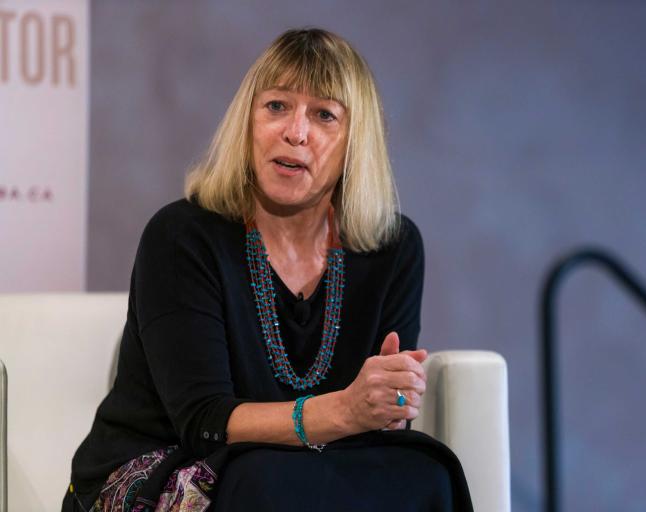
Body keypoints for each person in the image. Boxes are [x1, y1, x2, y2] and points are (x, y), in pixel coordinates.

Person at [63, 28, 472, 511]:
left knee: (428, 470)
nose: (295, 132)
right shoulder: (181, 237)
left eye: (324, 115)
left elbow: (382, 418)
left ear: (354, 143)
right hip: (168, 466)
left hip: (308, 469)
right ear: (248, 122)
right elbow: (204, 421)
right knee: (267, 479)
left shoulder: (393, 249)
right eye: (277, 106)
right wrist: (343, 410)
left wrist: (388, 401)